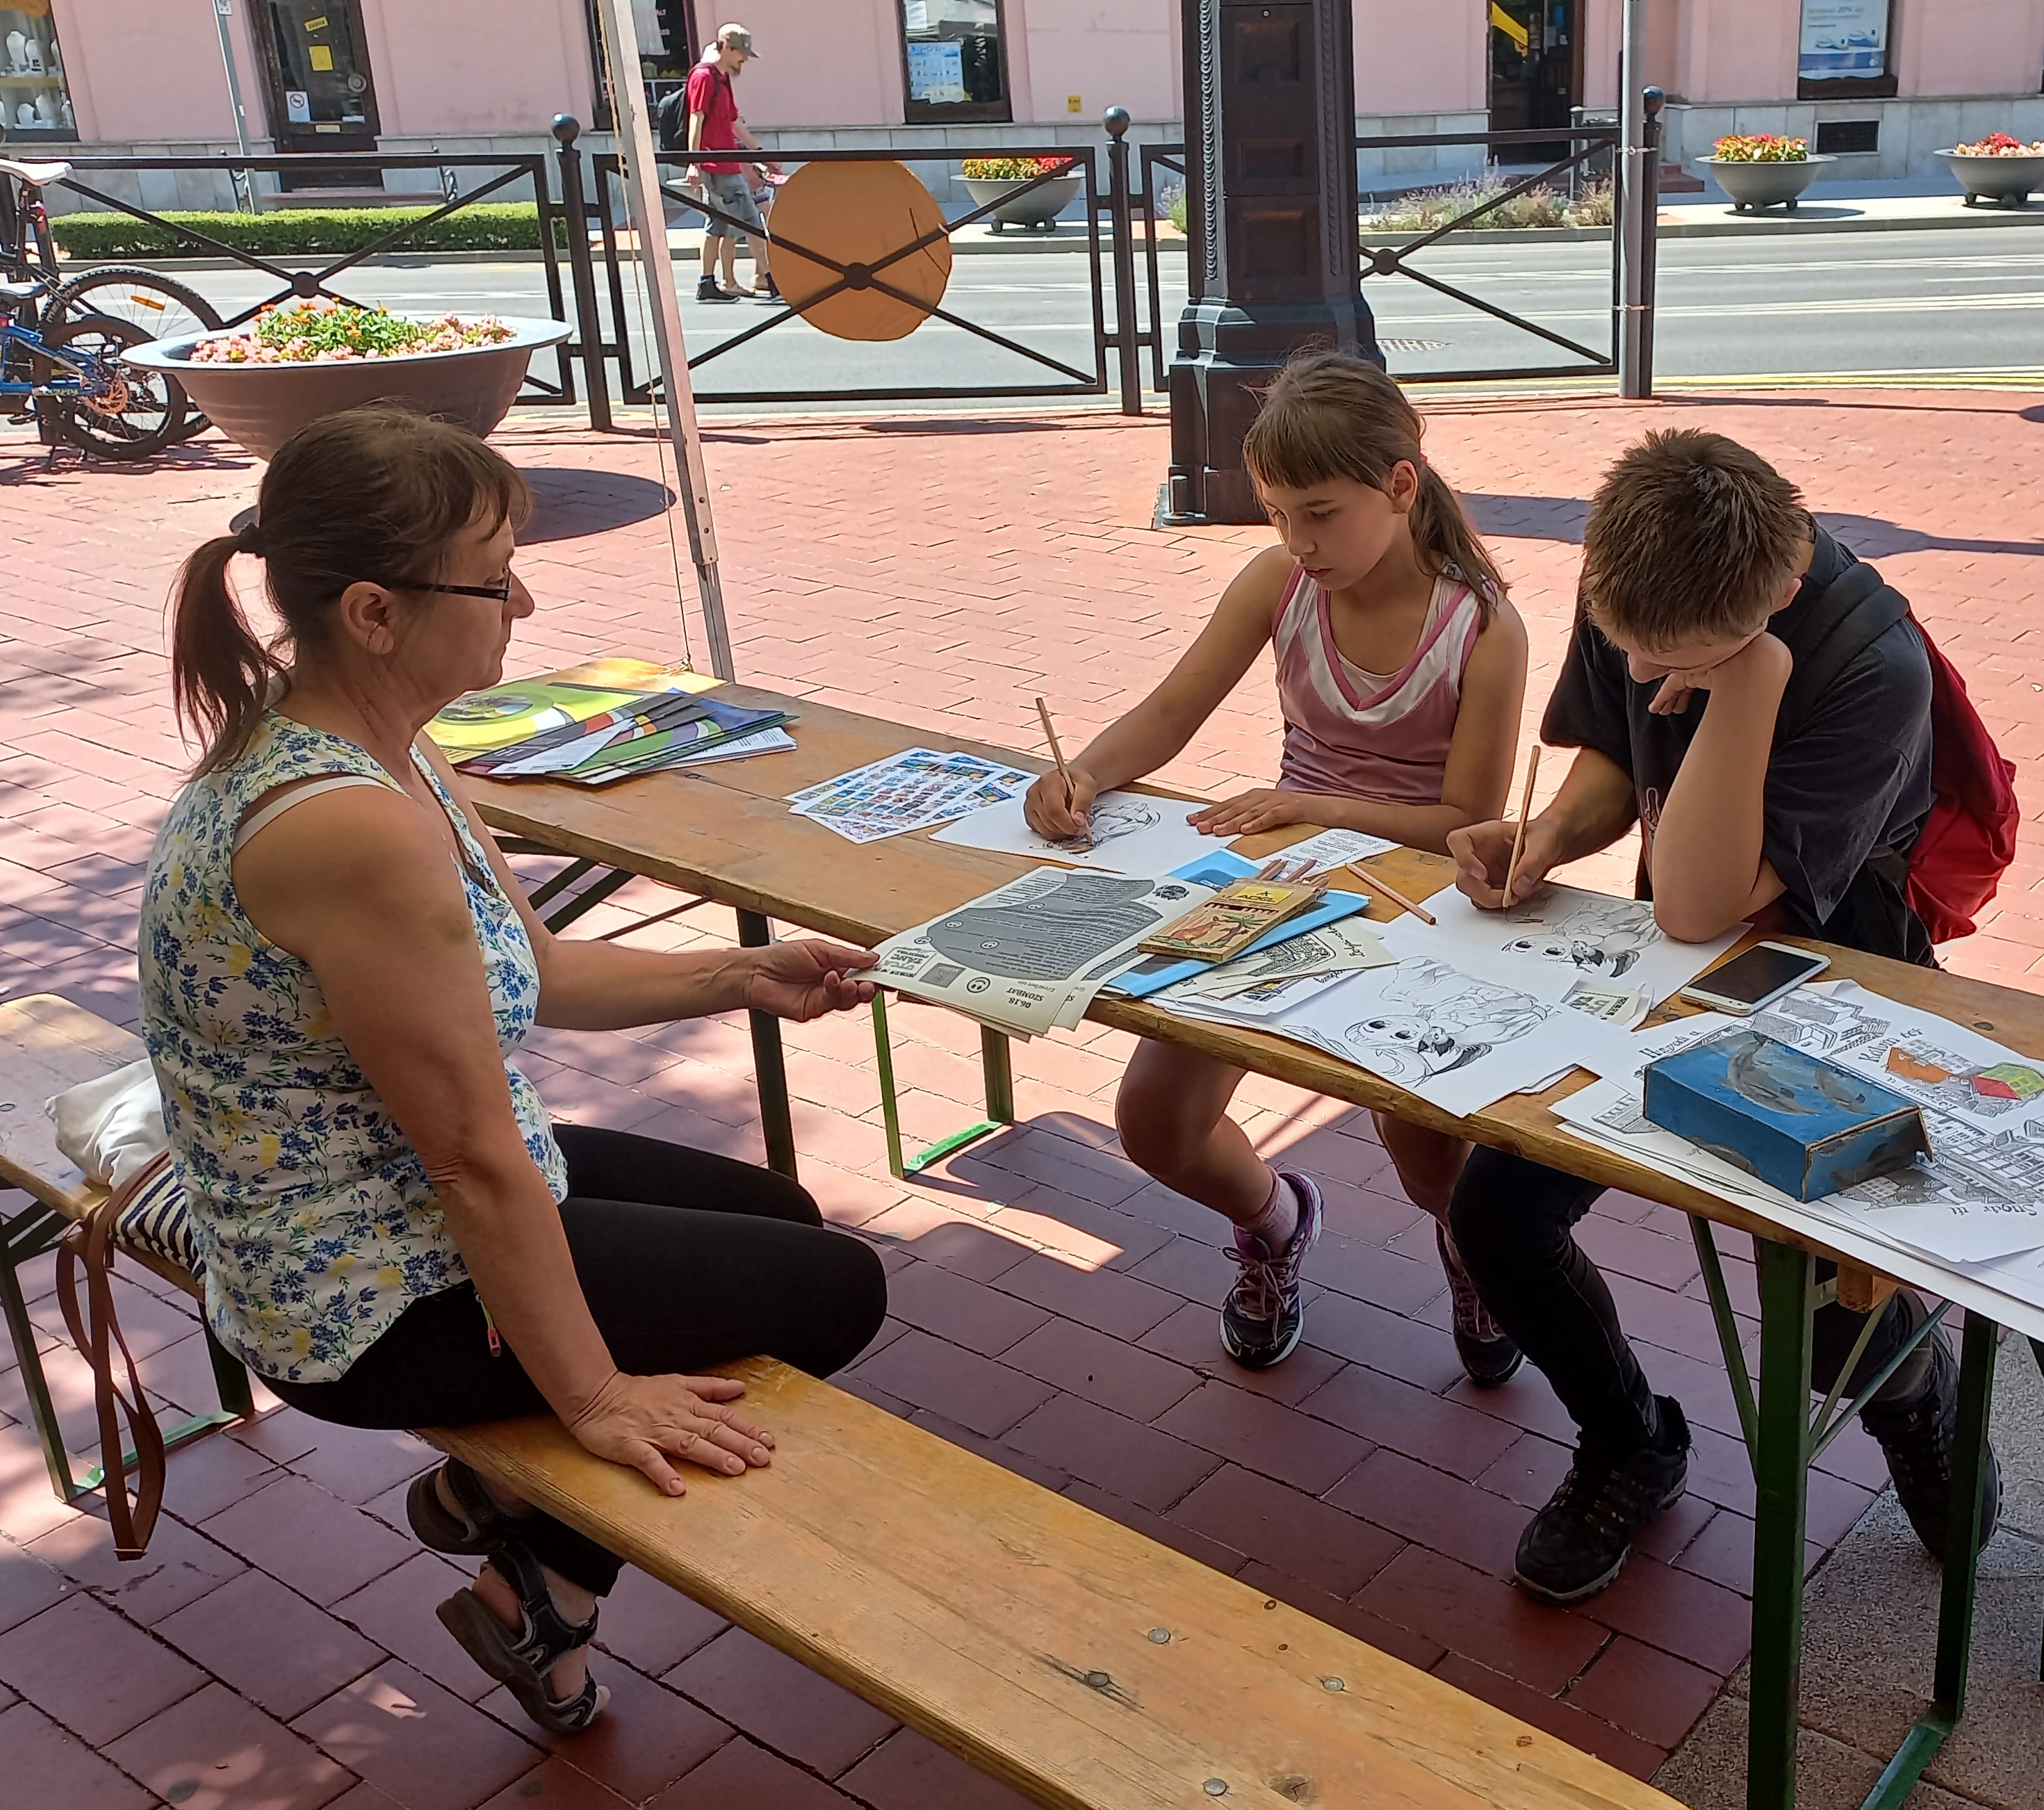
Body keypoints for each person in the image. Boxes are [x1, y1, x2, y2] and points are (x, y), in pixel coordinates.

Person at [137, 405, 889, 1736]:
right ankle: (538, 1584)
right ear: (375, 611)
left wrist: (737, 974)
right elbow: (471, 1158)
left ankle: (484, 1501)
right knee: (834, 1292)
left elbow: (530, 968)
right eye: (494, 579)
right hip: (358, 1298)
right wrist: (592, 1395)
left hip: (383, 1210)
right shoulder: (349, 823)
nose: (523, 604)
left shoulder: (376, 737)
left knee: (778, 1217)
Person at [1441, 428, 2002, 1604]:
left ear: (1773, 602)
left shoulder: (1870, 663)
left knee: (1822, 1314)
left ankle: (1915, 1397)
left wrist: (1750, 681)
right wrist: (1548, 837)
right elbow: (1615, 755)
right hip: (1672, 974)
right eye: (1627, 645)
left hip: (1833, 982)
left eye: (1678, 662)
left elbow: (1706, 900)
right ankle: (1628, 1437)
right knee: (1495, 1211)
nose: (1646, 673)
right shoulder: (1642, 576)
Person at [1027, 350, 1530, 1380]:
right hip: (1282, 889)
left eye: (1319, 514)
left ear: (1400, 485)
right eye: (1276, 515)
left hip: (1418, 905)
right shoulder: (1278, 583)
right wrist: (1083, 772)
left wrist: (1314, 806)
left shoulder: (1482, 624)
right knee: (1157, 1124)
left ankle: (1471, 1251)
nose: (1298, 542)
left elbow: (1467, 824)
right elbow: (1172, 711)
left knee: (1429, 1159)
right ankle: (1274, 1220)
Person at [683, 24, 775, 302]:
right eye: (741, 53)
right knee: (751, 221)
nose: (744, 59)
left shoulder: (722, 79)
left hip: (724, 162)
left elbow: (734, 121)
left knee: (718, 226)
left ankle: (707, 284)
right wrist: (694, 162)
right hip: (717, 164)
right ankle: (771, 280)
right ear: (726, 47)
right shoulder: (704, 77)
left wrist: (758, 153)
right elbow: (696, 118)